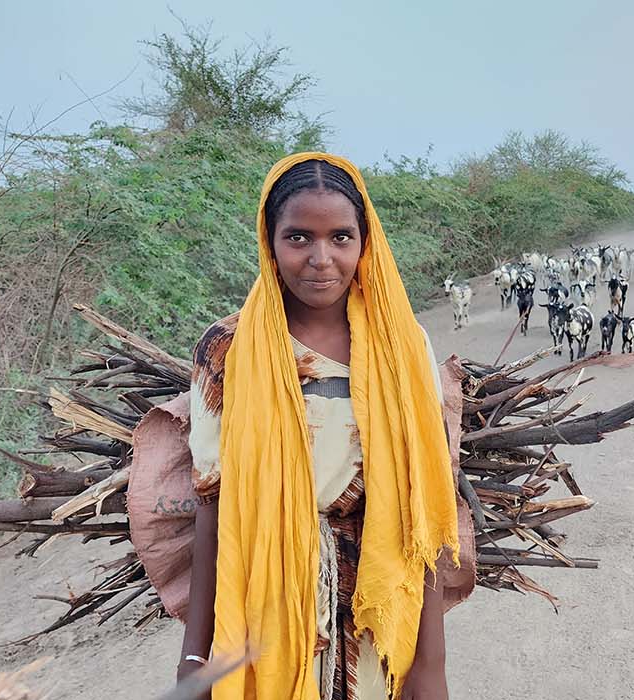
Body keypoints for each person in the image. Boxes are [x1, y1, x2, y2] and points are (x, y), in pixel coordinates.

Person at [177, 153, 460, 700]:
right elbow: (215, 502)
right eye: (299, 237)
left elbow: (421, 506)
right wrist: (195, 652)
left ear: (365, 240)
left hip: (378, 607)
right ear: (270, 241)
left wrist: (431, 664)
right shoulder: (229, 349)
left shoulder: (401, 344)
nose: (321, 259)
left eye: (341, 237)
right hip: (267, 602)